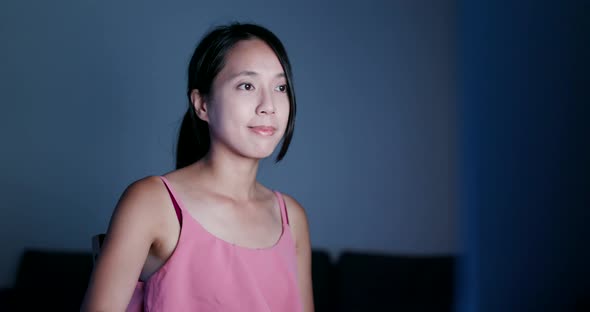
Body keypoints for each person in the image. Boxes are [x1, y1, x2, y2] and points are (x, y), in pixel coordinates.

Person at [81, 23, 314, 312]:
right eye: (247, 85)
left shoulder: (291, 217)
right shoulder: (152, 201)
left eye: (280, 87)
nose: (269, 105)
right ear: (202, 104)